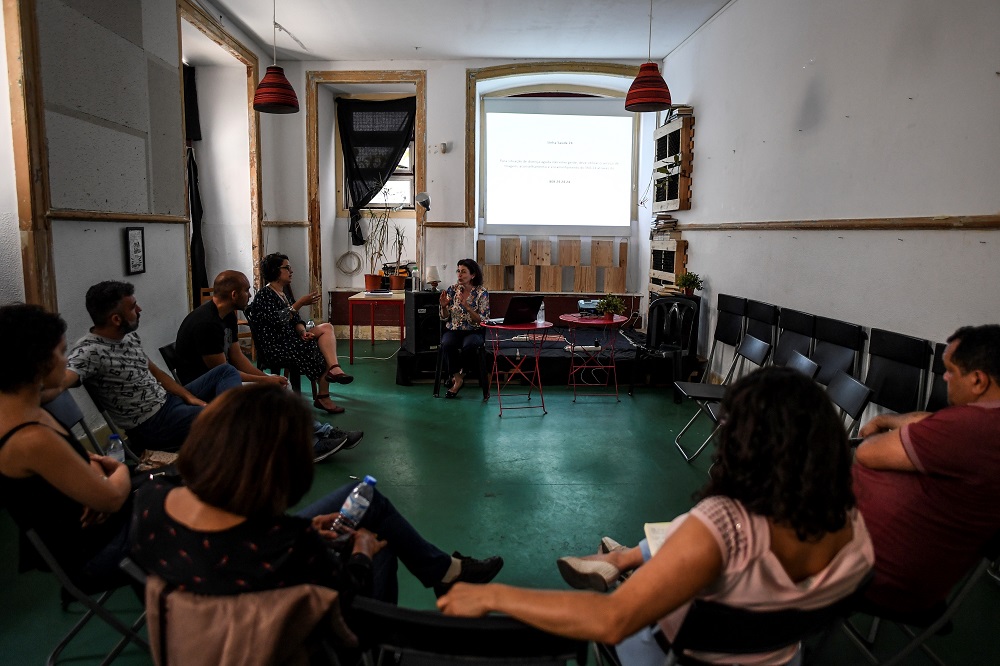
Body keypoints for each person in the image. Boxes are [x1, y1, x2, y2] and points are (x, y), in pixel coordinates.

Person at [438, 367, 873, 665]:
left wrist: (492, 597)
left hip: (675, 655)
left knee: (695, 537)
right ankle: (626, 557)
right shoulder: (854, 527)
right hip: (779, 654)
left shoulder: (727, 524)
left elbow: (613, 621)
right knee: (693, 540)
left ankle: (623, 560)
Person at [131, 383, 504, 606]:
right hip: (290, 641)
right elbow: (348, 592)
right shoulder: (290, 547)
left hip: (195, 625)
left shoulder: (151, 496)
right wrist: (360, 552)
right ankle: (390, 637)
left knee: (364, 497)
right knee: (378, 542)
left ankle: (445, 571)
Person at [853, 324, 1000, 613]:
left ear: (978, 381)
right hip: (892, 558)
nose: (944, 378)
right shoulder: (982, 423)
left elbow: (867, 453)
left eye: (950, 371)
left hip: (878, 574)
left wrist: (885, 430)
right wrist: (889, 422)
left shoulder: (969, 429)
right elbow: (931, 422)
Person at [0, 304, 133, 589]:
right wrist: (117, 470)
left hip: (93, 525)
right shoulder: (28, 437)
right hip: (90, 553)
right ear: (38, 362)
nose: (67, 360)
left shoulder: (25, 406)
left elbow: (74, 457)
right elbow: (111, 499)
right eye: (61, 352)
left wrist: (92, 480)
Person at [174, 270, 363, 460]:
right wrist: (265, 381)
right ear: (234, 294)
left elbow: (237, 357)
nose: (249, 295)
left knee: (280, 385)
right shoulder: (207, 324)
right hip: (205, 388)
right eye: (246, 290)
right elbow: (223, 373)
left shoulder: (227, 315)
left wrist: (266, 378)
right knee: (275, 393)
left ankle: (323, 433)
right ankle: (312, 444)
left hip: (224, 378)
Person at [55, 281, 242, 452]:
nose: (139, 309)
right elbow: (62, 380)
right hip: (152, 425)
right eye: (132, 307)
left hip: (169, 403)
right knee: (224, 421)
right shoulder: (89, 351)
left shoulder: (127, 336)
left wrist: (188, 396)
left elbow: (156, 372)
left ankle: (232, 413)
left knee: (225, 371)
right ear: (116, 319)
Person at [246, 253, 353, 414]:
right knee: (315, 348)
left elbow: (296, 319)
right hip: (276, 345)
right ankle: (324, 395)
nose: (291, 271)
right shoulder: (264, 295)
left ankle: (334, 368)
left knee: (327, 328)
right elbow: (277, 320)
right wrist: (300, 303)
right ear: (275, 270)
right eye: (286, 267)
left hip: (290, 338)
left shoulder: (283, 293)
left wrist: (303, 331)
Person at [437, 259, 490, 398]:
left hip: (474, 331)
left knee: (470, 346)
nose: (459, 274)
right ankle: (458, 379)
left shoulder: (481, 293)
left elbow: (483, 319)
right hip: (454, 329)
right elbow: (444, 317)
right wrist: (443, 306)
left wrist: (467, 307)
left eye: (464, 272)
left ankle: (460, 376)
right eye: (458, 271)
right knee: (447, 344)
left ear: (472, 275)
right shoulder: (452, 290)